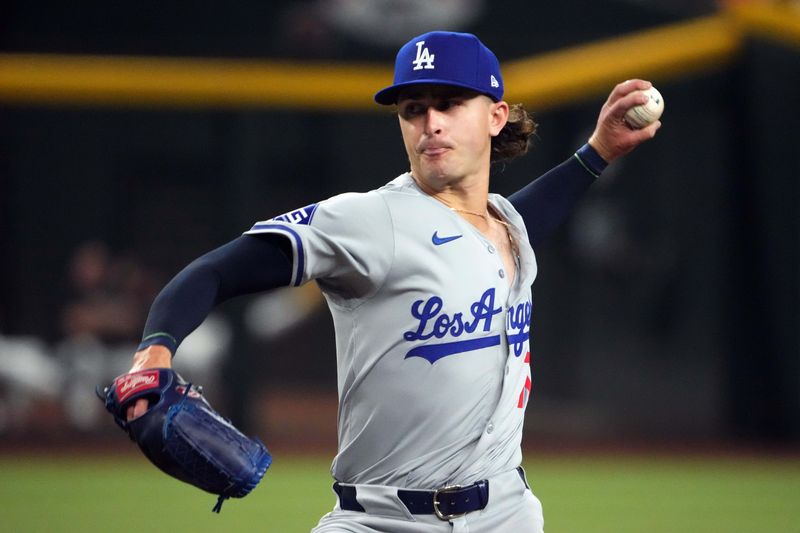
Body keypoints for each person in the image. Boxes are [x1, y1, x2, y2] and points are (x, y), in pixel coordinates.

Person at [124, 31, 660, 532]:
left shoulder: (506, 228)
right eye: (413, 110)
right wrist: (155, 352)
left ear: (496, 116)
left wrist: (598, 152)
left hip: (508, 514)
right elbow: (215, 271)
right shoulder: (368, 220)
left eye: (449, 104)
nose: (431, 123)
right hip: (381, 519)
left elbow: (521, 219)